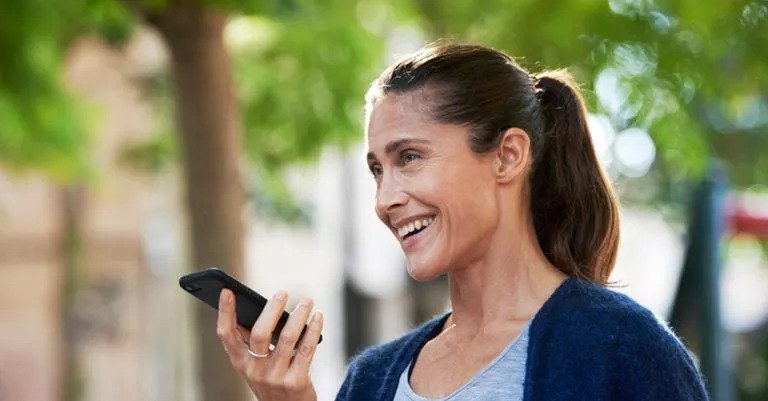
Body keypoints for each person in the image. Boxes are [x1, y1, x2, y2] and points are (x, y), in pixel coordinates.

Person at [215, 43, 710, 401]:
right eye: (376, 170)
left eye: (410, 157)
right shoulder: (372, 379)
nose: (385, 199)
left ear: (508, 156)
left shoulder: (623, 349)